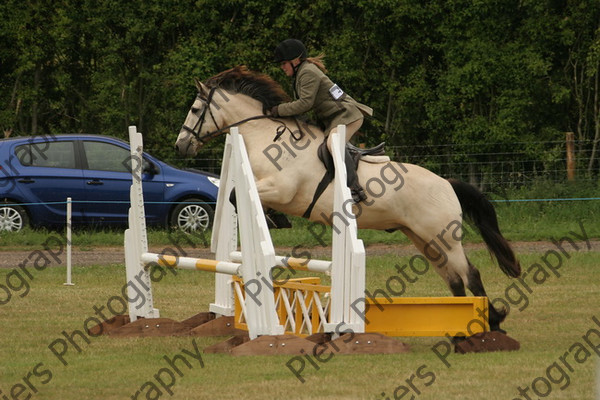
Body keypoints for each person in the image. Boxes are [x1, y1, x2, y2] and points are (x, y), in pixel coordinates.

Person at [270, 38, 372, 203]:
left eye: (284, 63)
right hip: (333, 118)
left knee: (333, 144)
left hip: (346, 115)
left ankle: (354, 189)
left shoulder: (307, 72)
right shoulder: (302, 73)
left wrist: (279, 110)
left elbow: (305, 104)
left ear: (295, 60)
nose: (282, 67)